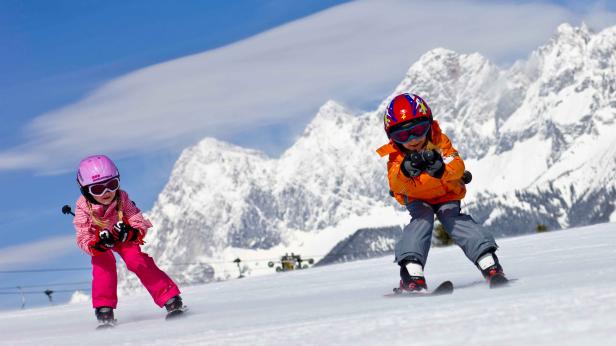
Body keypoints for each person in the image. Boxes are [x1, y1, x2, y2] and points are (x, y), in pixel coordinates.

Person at [376, 93, 508, 292]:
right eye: (402, 135)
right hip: (419, 199)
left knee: (453, 219)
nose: (412, 140)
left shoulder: (439, 141)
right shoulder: (396, 156)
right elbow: (395, 183)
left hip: (447, 194)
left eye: (418, 130)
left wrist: (442, 170)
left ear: (428, 125)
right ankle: (412, 274)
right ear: (392, 138)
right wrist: (404, 171)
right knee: (422, 220)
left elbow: (457, 165)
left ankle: (489, 263)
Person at [72, 155, 185, 325]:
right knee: (103, 264)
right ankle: (104, 307)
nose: (106, 193)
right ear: (85, 190)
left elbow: (135, 217)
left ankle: (169, 297)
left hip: (121, 233)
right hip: (99, 240)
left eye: (111, 185)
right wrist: (97, 245)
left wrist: (132, 232)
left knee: (136, 260)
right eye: (97, 189)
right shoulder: (83, 208)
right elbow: (82, 235)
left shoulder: (121, 198)